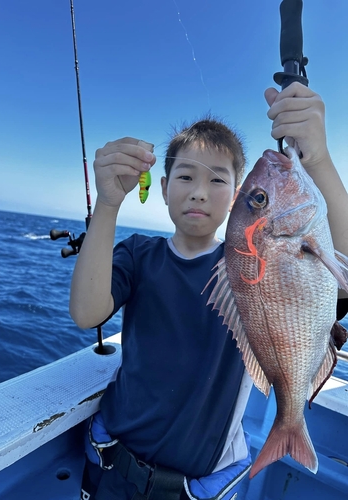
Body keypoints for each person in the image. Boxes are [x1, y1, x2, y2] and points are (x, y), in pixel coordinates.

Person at [70, 83, 348, 500]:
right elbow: (86, 313)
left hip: (196, 486)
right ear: (163, 188)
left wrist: (320, 160)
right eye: (185, 176)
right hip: (114, 463)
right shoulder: (139, 254)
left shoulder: (253, 268)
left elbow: (336, 270)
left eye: (217, 179)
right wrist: (108, 204)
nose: (199, 190)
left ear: (235, 197)